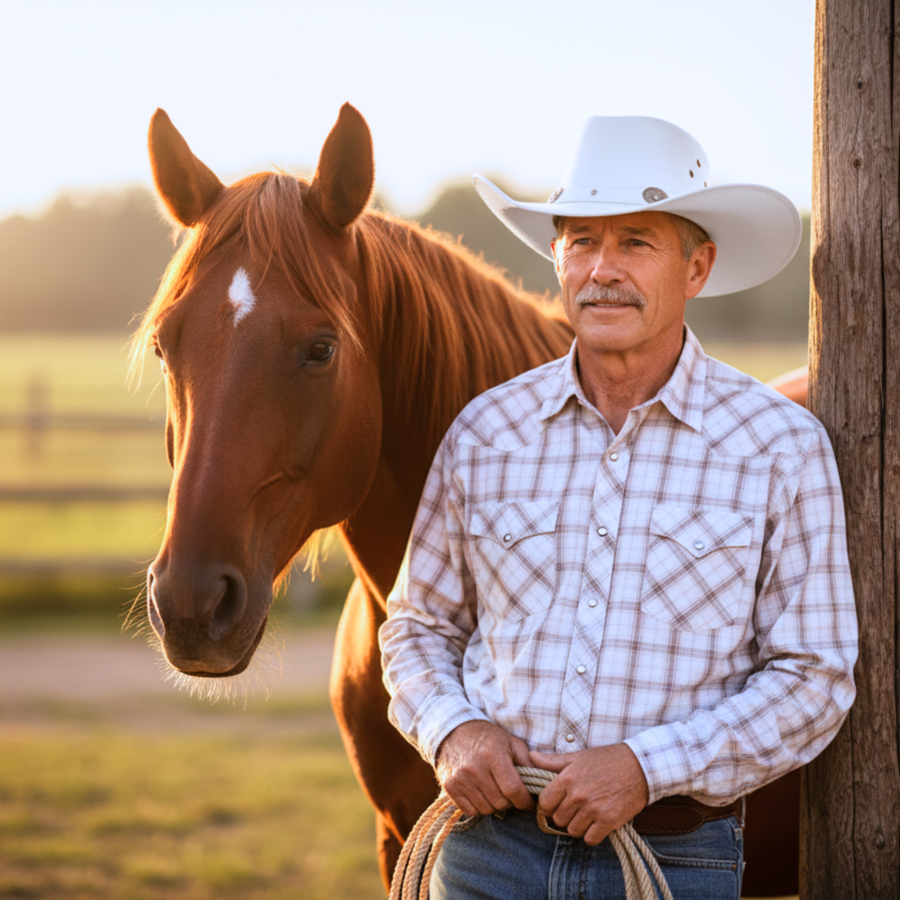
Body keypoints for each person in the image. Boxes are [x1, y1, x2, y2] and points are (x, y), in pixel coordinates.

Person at [379, 116, 858, 899]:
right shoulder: (485, 434)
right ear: (558, 260)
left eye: (636, 242)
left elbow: (815, 676)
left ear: (696, 267)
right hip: (486, 852)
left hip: (672, 855)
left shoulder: (779, 447)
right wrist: (454, 731)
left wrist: (646, 768)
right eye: (581, 242)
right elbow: (416, 627)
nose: (603, 269)